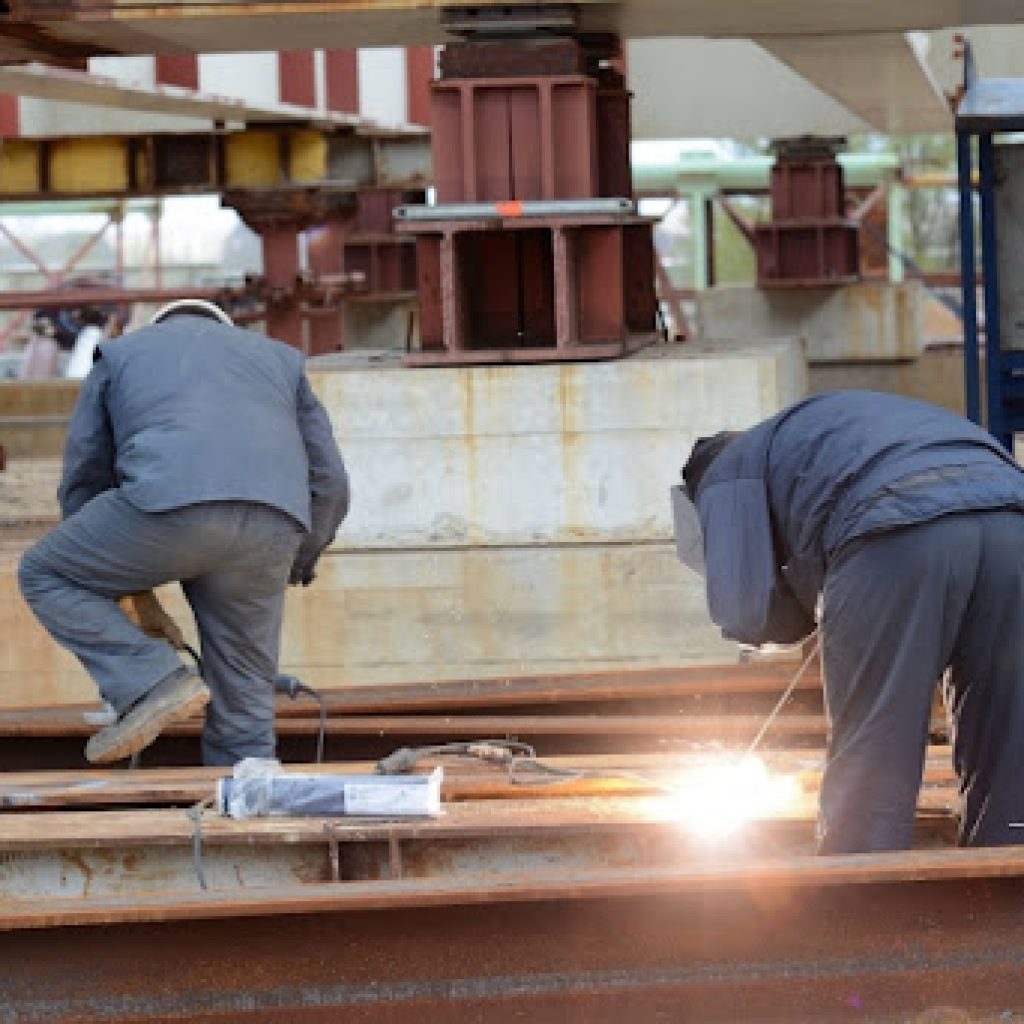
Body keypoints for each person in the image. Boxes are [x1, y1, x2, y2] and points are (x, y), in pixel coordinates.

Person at [677, 389, 1024, 854]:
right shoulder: (817, 436)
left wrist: (825, 611)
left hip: (897, 530)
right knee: (1007, 731)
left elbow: (746, 613)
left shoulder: (724, 470)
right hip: (1012, 521)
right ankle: (1004, 882)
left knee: (877, 736)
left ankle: (861, 898)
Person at [18, 299, 350, 766]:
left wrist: (115, 570)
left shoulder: (121, 354)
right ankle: (246, 812)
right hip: (271, 527)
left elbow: (86, 473)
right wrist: (297, 559)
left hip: (163, 504)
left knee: (44, 572)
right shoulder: (281, 359)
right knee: (245, 716)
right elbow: (331, 481)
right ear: (226, 328)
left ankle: (151, 681)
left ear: (160, 326)